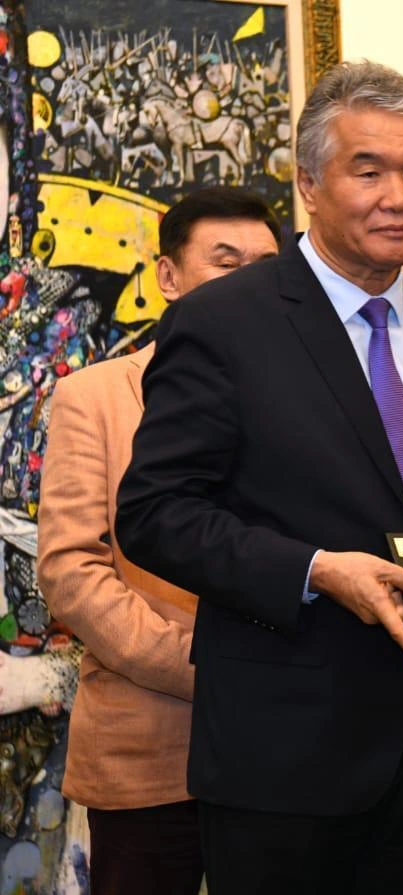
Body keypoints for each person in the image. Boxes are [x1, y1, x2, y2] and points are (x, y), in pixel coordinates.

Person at [113, 61, 403, 894]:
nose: (399, 196)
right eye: (367, 170)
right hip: (286, 760)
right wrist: (313, 569)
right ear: (308, 183)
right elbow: (155, 513)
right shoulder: (222, 322)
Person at [35, 188, 280, 894]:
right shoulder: (95, 397)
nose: (248, 284)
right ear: (168, 276)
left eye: (266, 267)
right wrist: (211, 667)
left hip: (284, 750)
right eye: (225, 261)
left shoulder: (308, 403)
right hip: (149, 745)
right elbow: (72, 572)